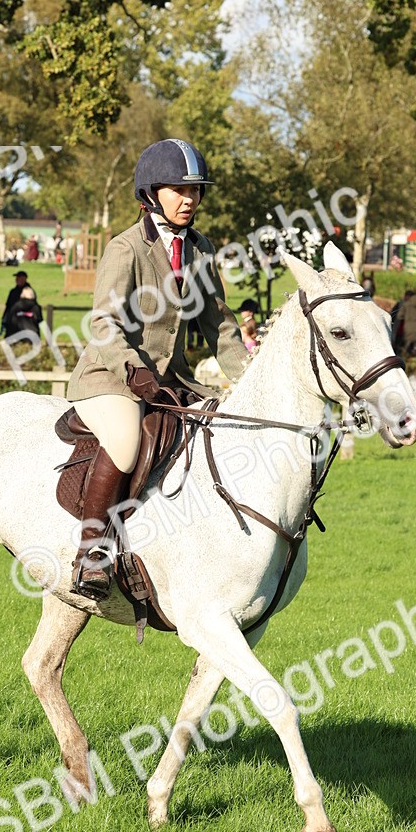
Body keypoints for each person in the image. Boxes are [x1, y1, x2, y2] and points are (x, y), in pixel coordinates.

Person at [65, 137, 250, 599]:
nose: (189, 199)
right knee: (127, 443)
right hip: (112, 376)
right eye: (177, 190)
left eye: (195, 191)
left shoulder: (201, 249)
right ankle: (92, 554)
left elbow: (220, 328)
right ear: (150, 194)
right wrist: (132, 369)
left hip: (172, 381)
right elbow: (104, 323)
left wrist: (250, 380)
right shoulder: (125, 248)